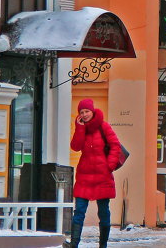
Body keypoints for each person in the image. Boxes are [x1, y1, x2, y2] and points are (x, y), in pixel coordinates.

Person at [69, 98, 124, 248]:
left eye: (87, 111)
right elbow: (75, 146)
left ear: (92, 111)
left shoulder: (103, 126)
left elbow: (115, 146)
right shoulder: (82, 128)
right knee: (79, 211)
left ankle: (103, 245)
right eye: (82, 112)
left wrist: (110, 165)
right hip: (84, 176)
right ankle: (74, 244)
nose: (85, 114)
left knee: (104, 211)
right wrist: (79, 128)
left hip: (102, 175)